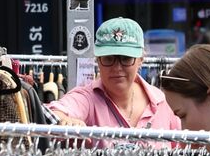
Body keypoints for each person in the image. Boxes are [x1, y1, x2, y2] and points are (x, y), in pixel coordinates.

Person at [49, 17, 180, 130]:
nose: (117, 67)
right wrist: (64, 120)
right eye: (108, 58)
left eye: (126, 58)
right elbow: (54, 112)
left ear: (141, 60)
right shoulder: (86, 99)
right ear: (98, 60)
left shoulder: (162, 103)